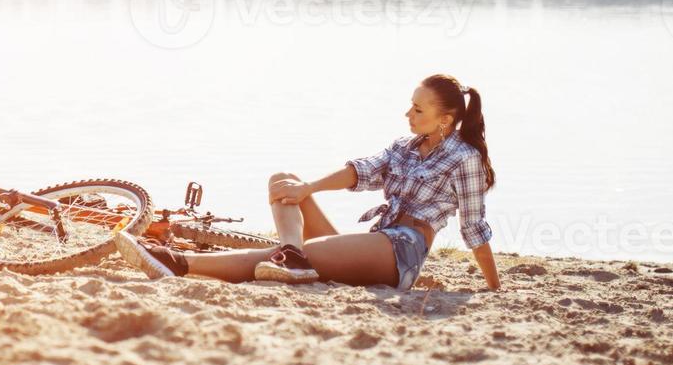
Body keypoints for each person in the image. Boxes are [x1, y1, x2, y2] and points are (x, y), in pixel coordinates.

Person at [113, 74, 500, 291]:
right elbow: (363, 170)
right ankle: (292, 255)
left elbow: (474, 228)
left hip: (401, 252)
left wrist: (494, 287)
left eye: (418, 109)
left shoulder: (465, 159)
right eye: (410, 105)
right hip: (376, 242)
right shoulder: (406, 145)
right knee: (284, 181)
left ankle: (179, 263)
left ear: (445, 119)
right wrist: (307, 189)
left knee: (303, 256)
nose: (408, 114)